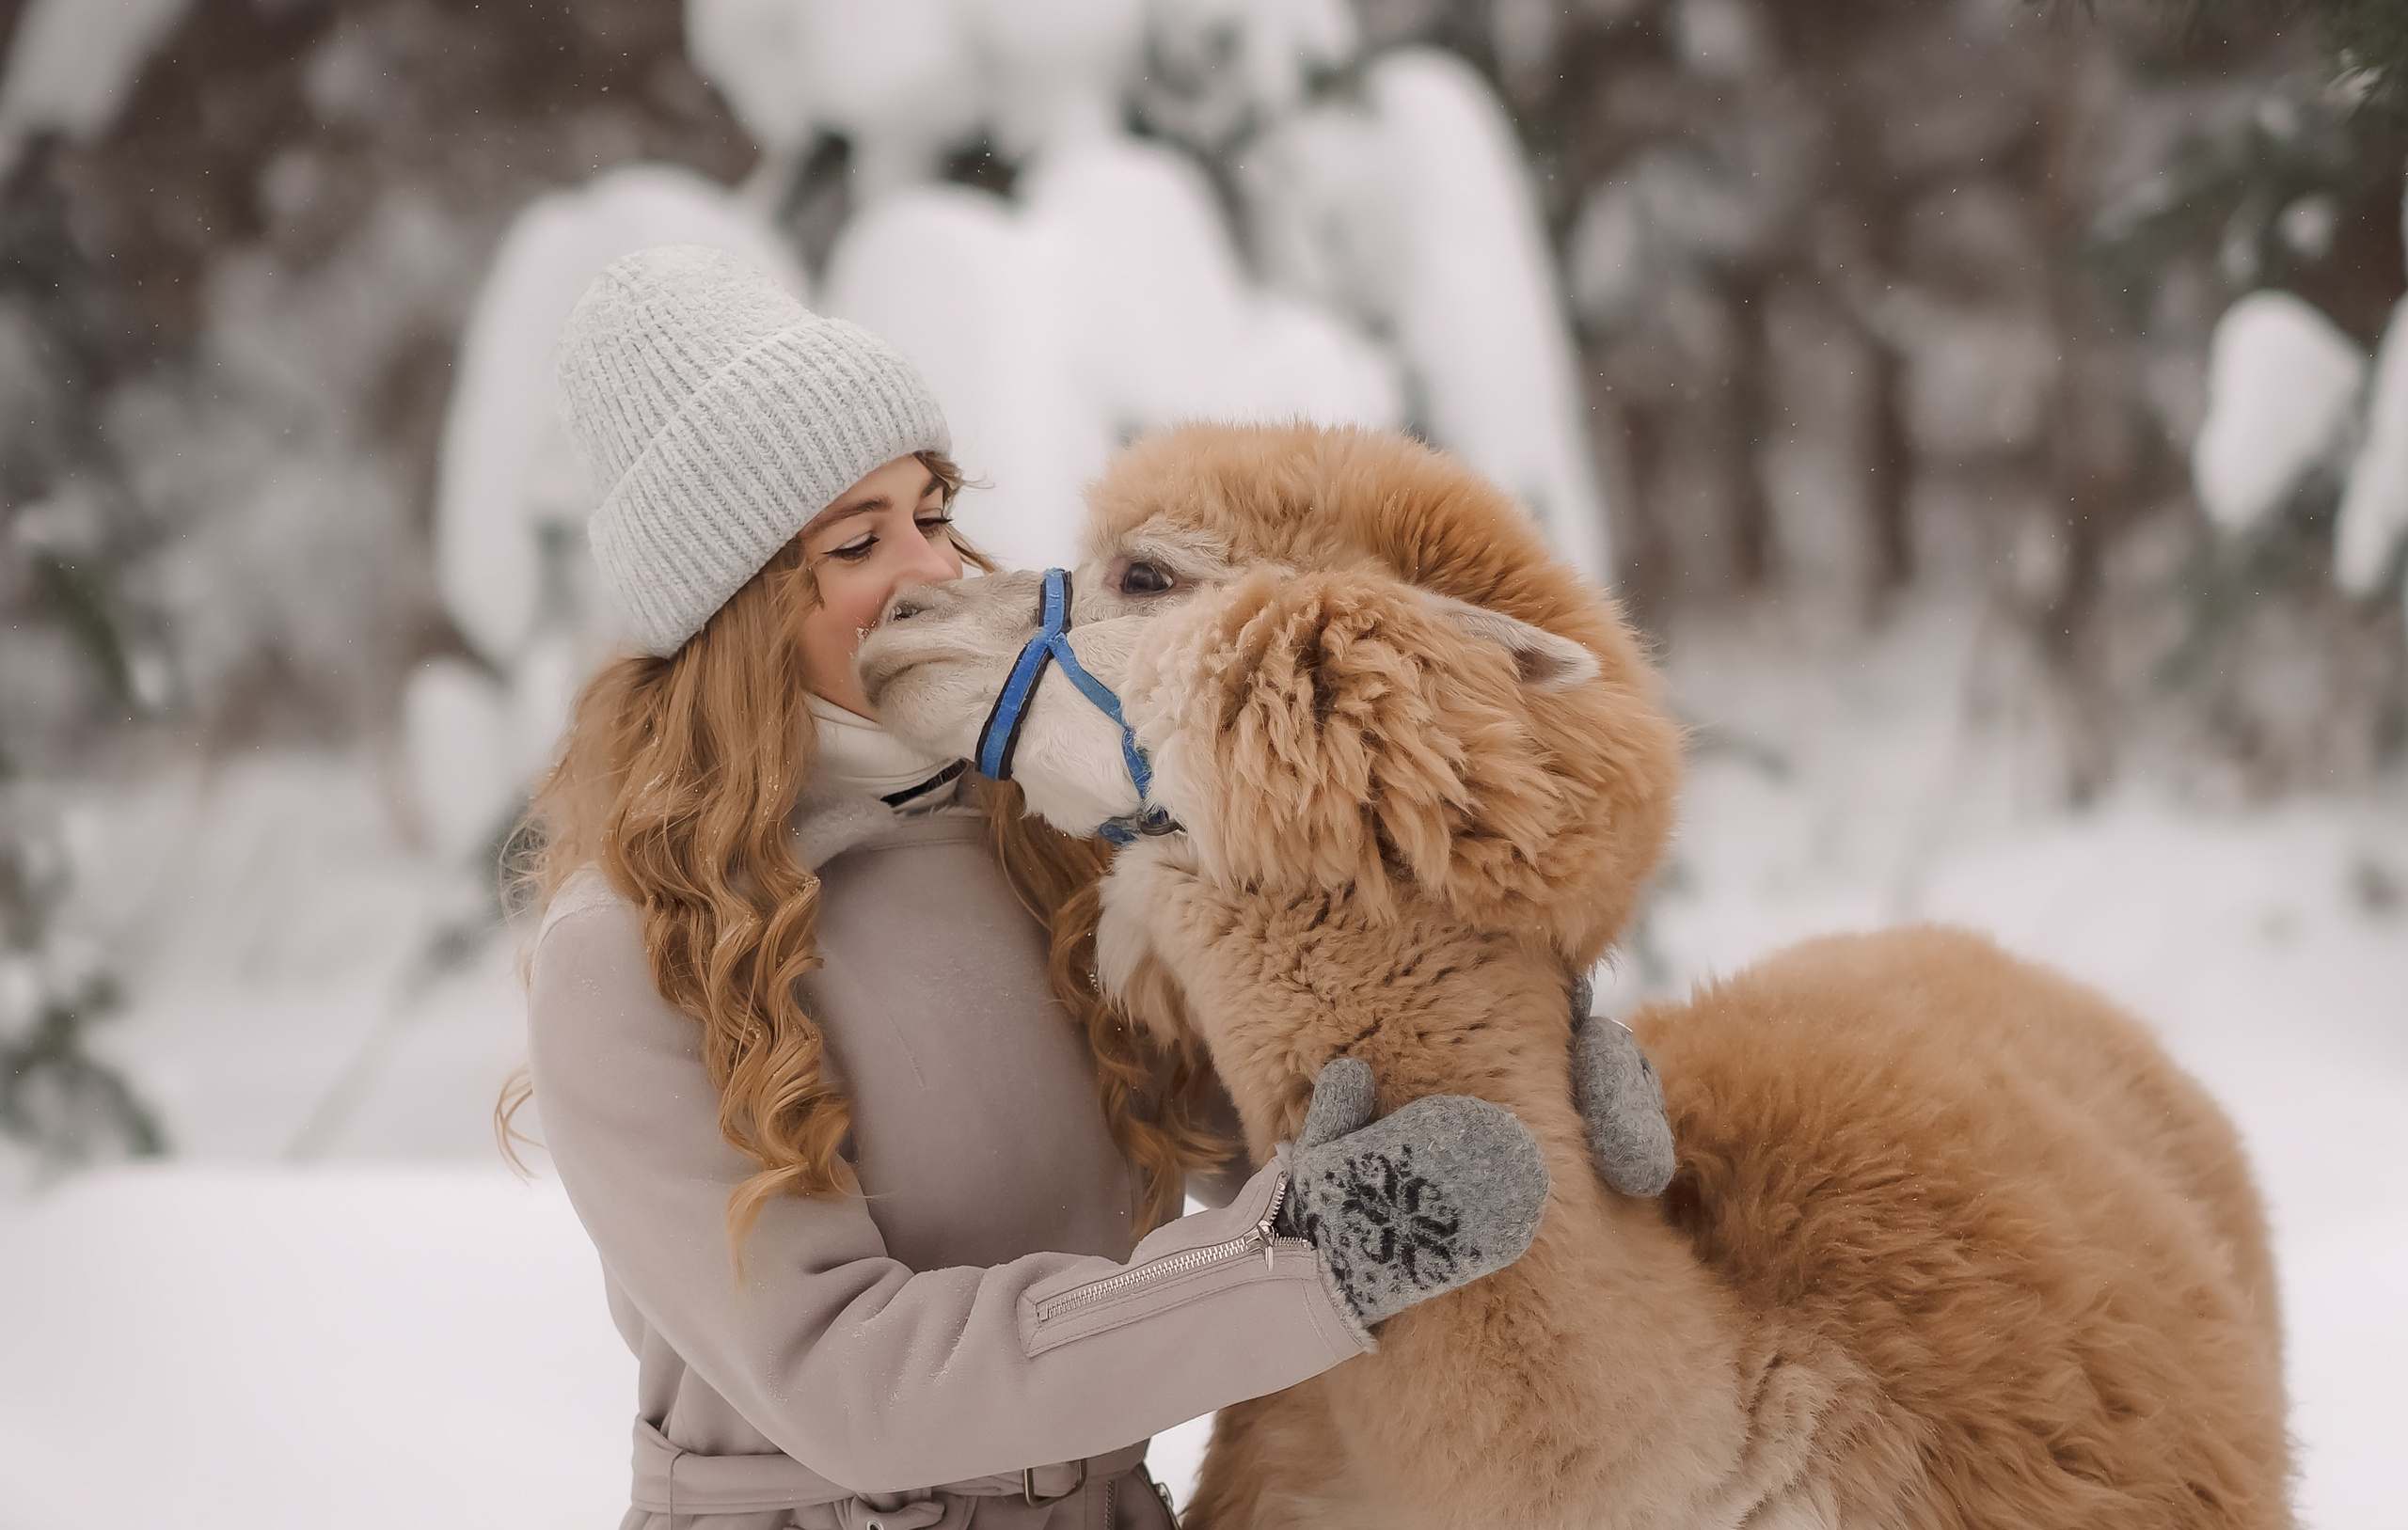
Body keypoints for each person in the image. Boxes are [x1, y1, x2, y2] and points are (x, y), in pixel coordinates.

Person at [519, 245, 1668, 1530]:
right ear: (733, 611)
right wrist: (1300, 1262)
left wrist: (1499, 1077)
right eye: (859, 541)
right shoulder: (630, 950)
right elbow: (852, 1383)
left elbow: (1255, 1132)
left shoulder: (1033, 838)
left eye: (934, 512)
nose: (937, 569)